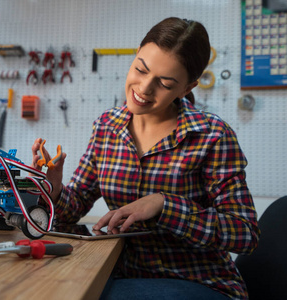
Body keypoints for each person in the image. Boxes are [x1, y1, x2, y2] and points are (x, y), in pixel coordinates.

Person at [31, 17, 260, 300]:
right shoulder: (107, 125)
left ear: (187, 88)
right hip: (123, 274)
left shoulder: (212, 135)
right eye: (140, 69)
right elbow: (75, 204)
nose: (143, 88)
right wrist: (53, 191)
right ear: (136, 55)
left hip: (199, 283)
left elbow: (245, 234)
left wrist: (164, 205)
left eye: (164, 83)